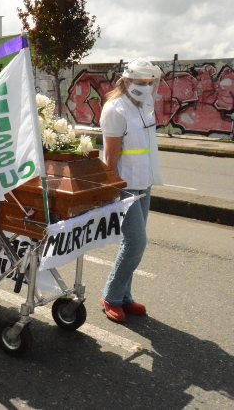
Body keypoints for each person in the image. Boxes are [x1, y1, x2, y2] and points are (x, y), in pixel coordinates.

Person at [100, 58, 163, 323]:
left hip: (144, 181)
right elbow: (111, 156)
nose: (146, 87)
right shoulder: (115, 109)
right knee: (136, 241)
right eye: (141, 82)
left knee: (133, 244)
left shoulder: (145, 106)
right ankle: (111, 297)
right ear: (126, 81)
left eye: (150, 82)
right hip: (125, 185)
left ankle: (125, 296)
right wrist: (111, 189)